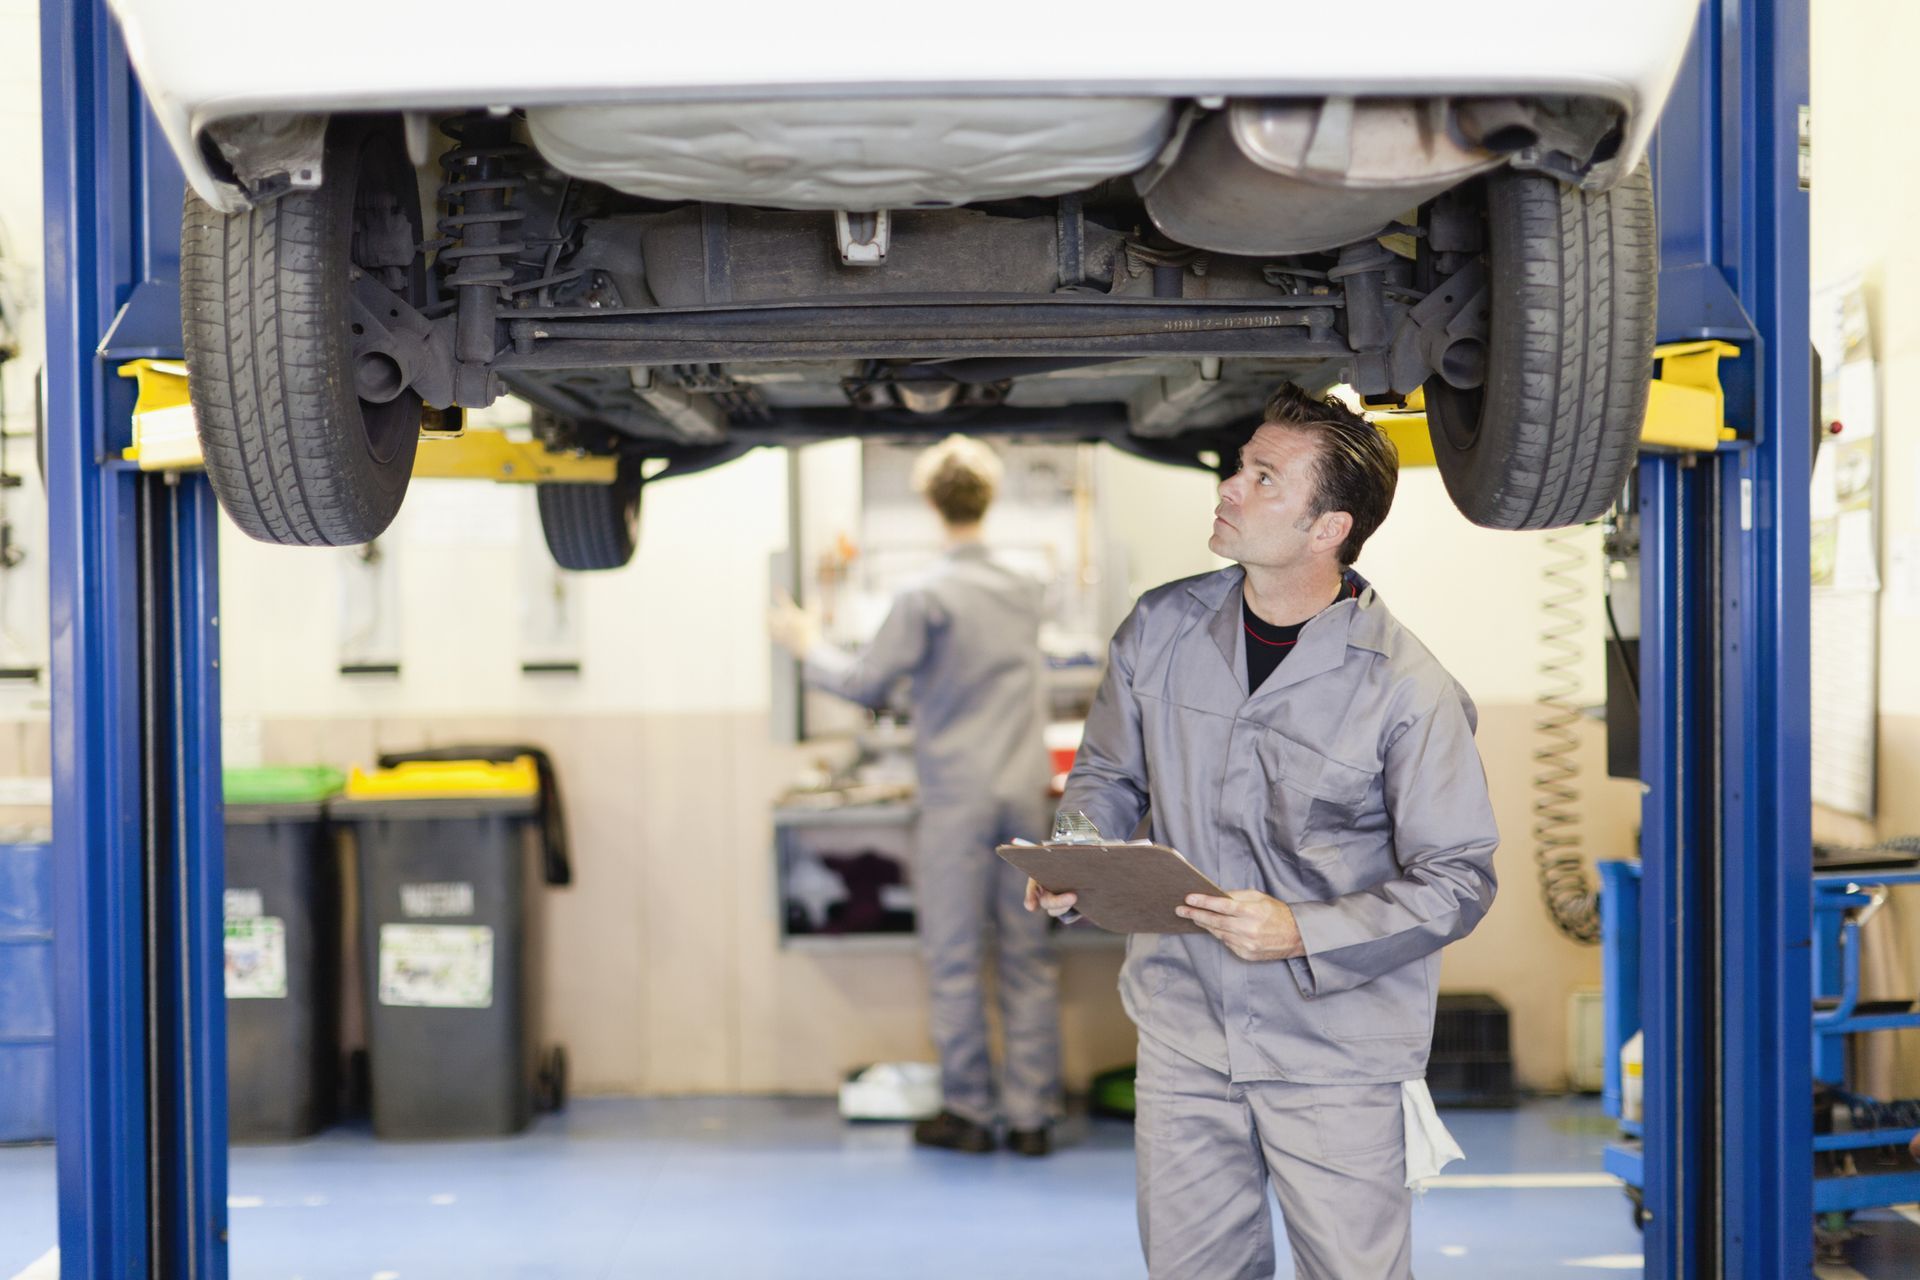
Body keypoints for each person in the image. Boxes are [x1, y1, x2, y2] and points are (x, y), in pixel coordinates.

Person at [1028, 384, 1500, 1278]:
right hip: (1184, 1030)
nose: (1229, 488)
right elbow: (1106, 777)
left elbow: (1458, 878)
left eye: (1264, 477)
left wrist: (1303, 930)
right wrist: (1079, 853)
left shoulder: (1406, 690)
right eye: (1240, 465)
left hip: (1335, 1050)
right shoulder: (1159, 630)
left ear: (1329, 529)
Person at [770, 435, 1061, 1156]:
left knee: (956, 955)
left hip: (957, 798)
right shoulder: (1028, 584)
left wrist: (807, 642)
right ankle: (1031, 1117)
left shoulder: (925, 594)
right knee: (1028, 954)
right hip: (1027, 793)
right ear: (988, 498)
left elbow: (866, 683)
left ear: (931, 503)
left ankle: (968, 1111)